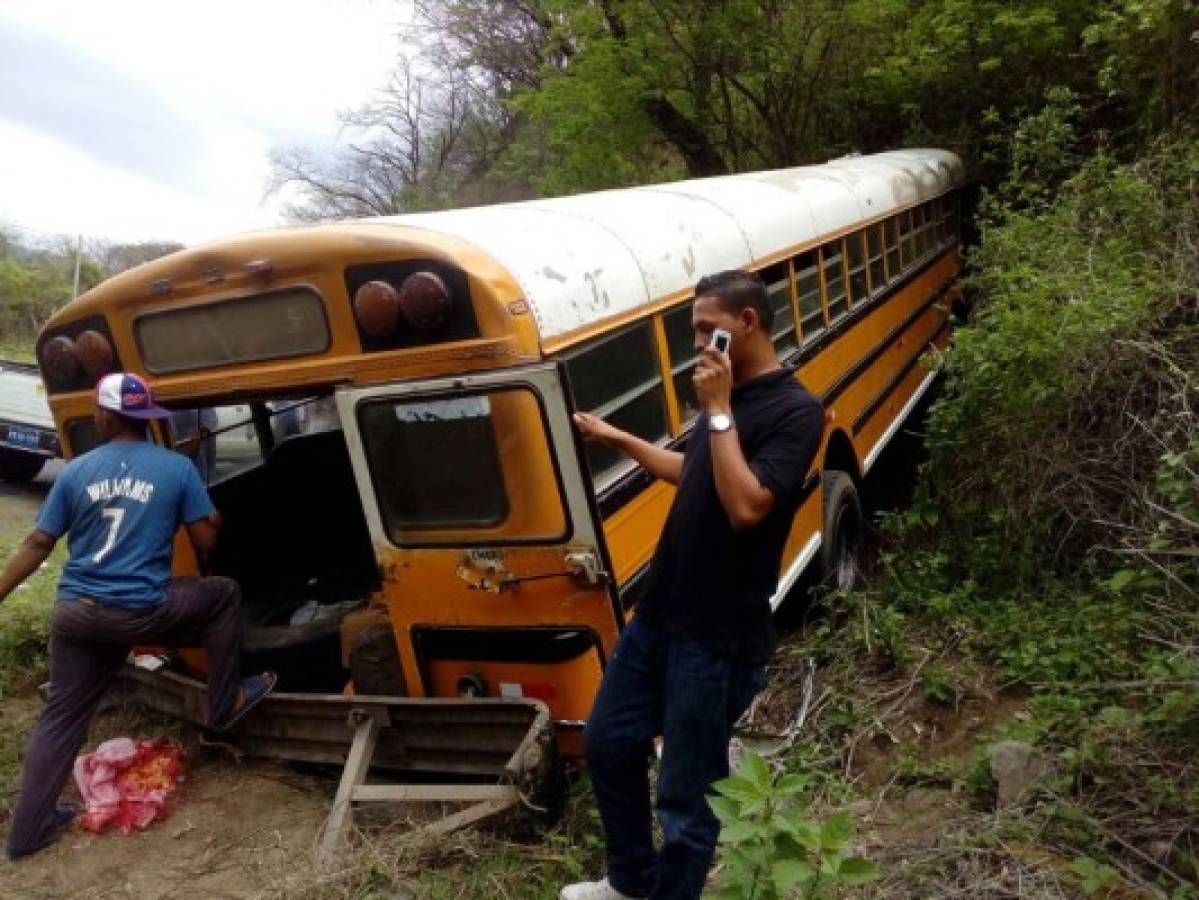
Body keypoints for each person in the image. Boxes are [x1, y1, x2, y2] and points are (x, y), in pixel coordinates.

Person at [562, 271, 825, 900]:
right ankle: (630, 884)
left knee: (685, 795)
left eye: (709, 328)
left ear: (748, 324)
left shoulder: (796, 411)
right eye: (695, 330)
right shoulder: (724, 404)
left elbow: (747, 505)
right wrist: (618, 437)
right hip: (658, 619)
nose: (699, 343)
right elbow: (697, 471)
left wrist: (716, 411)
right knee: (606, 744)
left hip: (715, 637)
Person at [0, 372, 275, 860]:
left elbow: (38, 542)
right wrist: (212, 520)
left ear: (102, 416)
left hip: (77, 613)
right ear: (149, 417)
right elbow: (207, 542)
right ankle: (224, 701)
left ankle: (28, 833)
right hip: (139, 612)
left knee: (60, 719)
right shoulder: (176, 468)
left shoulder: (76, 470)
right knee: (224, 593)